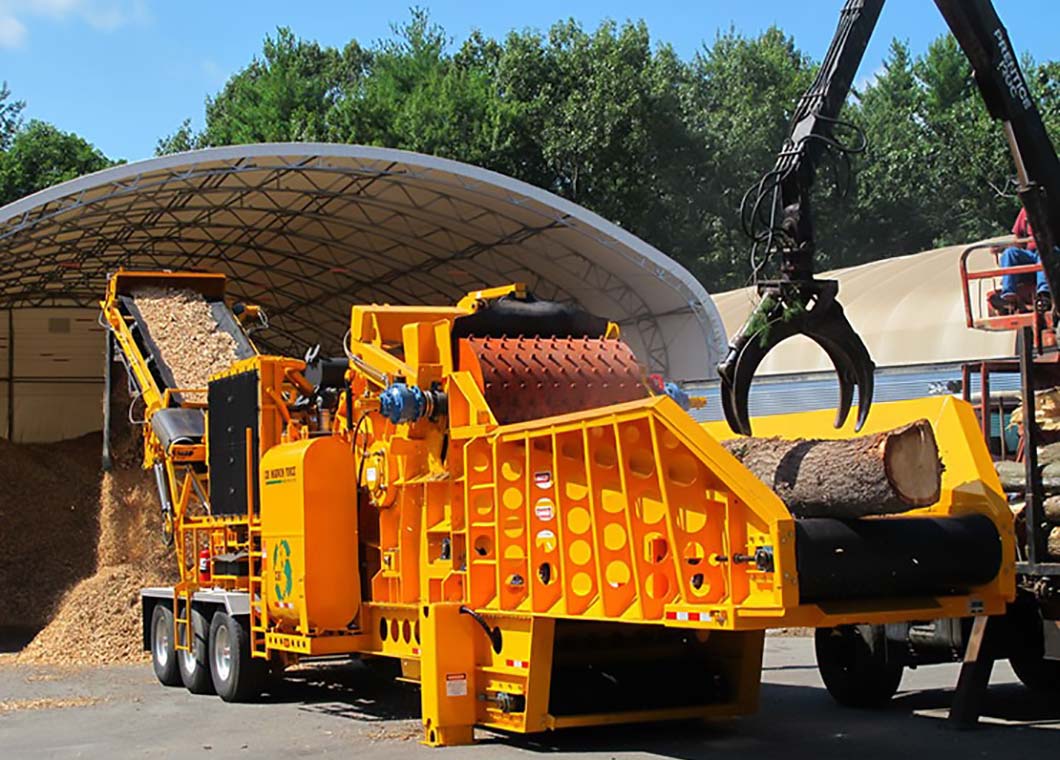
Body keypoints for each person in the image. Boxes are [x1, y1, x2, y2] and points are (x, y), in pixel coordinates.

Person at [991, 206, 1051, 313]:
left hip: (1050, 253)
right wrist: (1002, 248)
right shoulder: (1026, 210)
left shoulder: (1054, 205)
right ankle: (1008, 296)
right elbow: (1018, 240)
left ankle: (1044, 294)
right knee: (1010, 252)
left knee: (1044, 255)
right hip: (1030, 254)